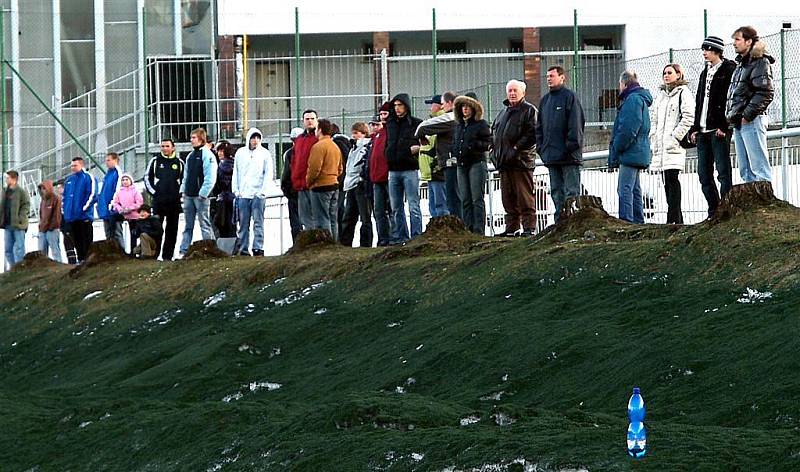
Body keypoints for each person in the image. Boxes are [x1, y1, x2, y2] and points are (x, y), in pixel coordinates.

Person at [690, 36, 737, 218]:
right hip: (703, 131)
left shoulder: (728, 69)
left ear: (717, 51)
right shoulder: (705, 72)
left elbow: (730, 100)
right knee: (704, 174)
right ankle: (714, 210)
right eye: (703, 49)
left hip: (718, 131)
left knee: (723, 172)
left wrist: (725, 126)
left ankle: (726, 210)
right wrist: (695, 127)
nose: (704, 53)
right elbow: (700, 101)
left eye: (708, 49)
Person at [536, 66, 586, 223]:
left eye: (552, 75)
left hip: (569, 157)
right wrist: (542, 149)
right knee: (556, 192)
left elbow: (576, 125)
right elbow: (539, 129)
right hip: (552, 157)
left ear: (562, 77)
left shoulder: (570, 97)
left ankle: (574, 224)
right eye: (547, 76)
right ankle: (560, 223)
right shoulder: (544, 101)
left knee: (572, 193)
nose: (549, 79)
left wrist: (570, 148)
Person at [726, 26, 775, 183]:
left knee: (759, 168)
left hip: (751, 119)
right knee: (746, 169)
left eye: (737, 39)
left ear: (748, 41)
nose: (734, 43)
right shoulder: (742, 64)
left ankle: (764, 203)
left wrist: (747, 115)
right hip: (740, 120)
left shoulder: (760, 62)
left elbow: (765, 92)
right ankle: (752, 204)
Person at [491, 79, 538, 237]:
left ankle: (529, 227)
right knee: (508, 198)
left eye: (515, 90)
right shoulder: (502, 113)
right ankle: (511, 227)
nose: (512, 93)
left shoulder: (529, 111)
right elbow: (494, 134)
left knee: (525, 196)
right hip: (504, 163)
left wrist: (517, 148)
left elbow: (532, 133)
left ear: (523, 92)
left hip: (521, 162)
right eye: (510, 90)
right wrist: (494, 153)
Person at [650, 63, 694, 224]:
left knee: (673, 180)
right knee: (666, 182)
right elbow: (654, 119)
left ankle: (673, 218)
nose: (666, 76)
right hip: (661, 147)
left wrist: (675, 136)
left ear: (678, 74)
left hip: (673, 145)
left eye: (669, 73)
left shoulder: (683, 93)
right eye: (664, 73)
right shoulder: (661, 95)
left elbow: (688, 117)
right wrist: (654, 137)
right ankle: (677, 219)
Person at [608, 70, 653, 224]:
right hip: (639, 150)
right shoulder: (640, 99)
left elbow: (628, 128)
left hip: (630, 152)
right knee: (634, 189)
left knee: (624, 189)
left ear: (624, 83)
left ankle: (627, 221)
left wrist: (617, 146)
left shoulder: (632, 100)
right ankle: (638, 221)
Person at [451, 95, 492, 234]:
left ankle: (479, 230)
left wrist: (473, 146)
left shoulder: (481, 124)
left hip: (476, 163)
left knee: (476, 199)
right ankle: (468, 230)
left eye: (468, 106)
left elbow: (489, 142)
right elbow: (455, 142)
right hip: (462, 165)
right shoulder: (459, 126)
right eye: (463, 106)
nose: (465, 109)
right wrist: (455, 151)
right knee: (465, 199)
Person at [233, 127, 277, 256]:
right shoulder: (240, 153)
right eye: (253, 138)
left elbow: (268, 174)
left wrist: (262, 191)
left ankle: (258, 247)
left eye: (258, 138)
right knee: (243, 224)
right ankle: (243, 248)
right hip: (243, 195)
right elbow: (236, 172)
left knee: (258, 222)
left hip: (258, 195)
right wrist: (236, 190)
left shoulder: (265, 154)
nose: (255, 140)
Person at [386, 93, 423, 243]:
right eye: (395, 106)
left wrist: (415, 150)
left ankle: (416, 237)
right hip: (393, 170)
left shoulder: (416, 123)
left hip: (409, 169)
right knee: (396, 207)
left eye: (400, 105)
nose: (397, 108)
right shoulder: (390, 124)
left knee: (413, 205)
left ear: (406, 106)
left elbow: (424, 143)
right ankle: (401, 237)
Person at [179, 128, 218, 256]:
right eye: (191, 138)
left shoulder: (207, 155)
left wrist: (204, 192)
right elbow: (186, 175)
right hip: (189, 195)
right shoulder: (190, 156)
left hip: (200, 196)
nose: (191, 140)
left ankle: (210, 247)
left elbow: (210, 176)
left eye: (194, 138)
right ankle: (183, 250)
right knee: (188, 226)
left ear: (201, 139)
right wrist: (183, 191)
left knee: (204, 223)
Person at [144, 138, 184, 260]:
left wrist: (179, 194)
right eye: (162, 146)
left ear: (173, 147)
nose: (164, 148)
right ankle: (154, 255)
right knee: (157, 230)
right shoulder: (155, 161)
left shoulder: (179, 163)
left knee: (172, 231)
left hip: (174, 203)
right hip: (159, 203)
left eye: (167, 146)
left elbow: (184, 181)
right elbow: (147, 178)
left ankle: (168, 256)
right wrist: (154, 193)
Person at [306, 118, 343, 239]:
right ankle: (334, 242)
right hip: (334, 184)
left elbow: (314, 168)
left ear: (320, 130)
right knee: (333, 218)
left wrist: (309, 182)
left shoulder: (318, 147)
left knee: (322, 218)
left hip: (320, 186)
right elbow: (340, 168)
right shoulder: (335, 146)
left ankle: (325, 243)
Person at [340, 122, 374, 247]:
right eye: (353, 133)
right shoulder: (353, 148)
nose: (353, 136)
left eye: (356, 133)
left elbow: (359, 165)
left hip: (361, 184)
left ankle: (365, 244)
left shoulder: (365, 147)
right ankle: (346, 242)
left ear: (364, 134)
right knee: (349, 215)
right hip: (351, 185)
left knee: (365, 217)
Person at [418, 94, 448, 218]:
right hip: (431, 171)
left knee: (440, 205)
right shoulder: (433, 122)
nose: (430, 107)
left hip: (436, 169)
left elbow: (435, 145)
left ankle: (443, 232)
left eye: (432, 104)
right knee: (434, 205)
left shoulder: (440, 121)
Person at [62, 157, 97, 263]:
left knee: (86, 240)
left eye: (75, 165)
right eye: (71, 165)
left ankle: (88, 261)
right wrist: (65, 211)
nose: (73, 168)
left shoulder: (88, 178)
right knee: (76, 241)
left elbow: (92, 195)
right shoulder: (69, 180)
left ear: (81, 165)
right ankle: (80, 260)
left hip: (83, 216)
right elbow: (65, 197)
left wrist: (83, 209)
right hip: (72, 217)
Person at [290, 110, 320, 230]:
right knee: (305, 218)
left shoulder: (319, 138)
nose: (310, 121)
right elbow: (294, 161)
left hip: (316, 185)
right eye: (307, 119)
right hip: (301, 185)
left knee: (318, 217)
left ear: (317, 120)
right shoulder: (299, 140)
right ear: (303, 121)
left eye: (312, 118)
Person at [369, 103, 394, 246]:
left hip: (388, 177)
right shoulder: (377, 135)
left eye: (385, 114)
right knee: (378, 211)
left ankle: (393, 238)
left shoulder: (390, 132)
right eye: (381, 114)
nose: (382, 117)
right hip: (376, 178)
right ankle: (383, 239)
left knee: (392, 210)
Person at [0, 170, 30, 268]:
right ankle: (13, 268)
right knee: (8, 250)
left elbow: (26, 205)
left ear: (14, 179)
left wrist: (20, 218)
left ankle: (20, 268)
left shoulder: (21, 191)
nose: (6, 180)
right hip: (7, 225)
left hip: (18, 225)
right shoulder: (4, 191)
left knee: (19, 248)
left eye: (8, 178)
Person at [280, 128, 305, 244]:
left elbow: (286, 174)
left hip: (294, 190)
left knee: (295, 220)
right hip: (305, 189)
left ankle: (297, 243)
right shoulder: (309, 151)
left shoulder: (289, 153)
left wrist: (285, 189)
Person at [96, 152, 123, 247]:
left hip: (113, 209)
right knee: (108, 234)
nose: (106, 162)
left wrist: (113, 204)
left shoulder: (118, 174)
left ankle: (121, 253)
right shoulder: (108, 174)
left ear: (115, 160)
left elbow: (118, 190)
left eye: (108, 160)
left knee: (117, 233)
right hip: (105, 209)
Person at [111, 173, 143, 253]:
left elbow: (139, 203)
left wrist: (130, 208)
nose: (125, 181)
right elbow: (115, 203)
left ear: (130, 181)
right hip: (123, 214)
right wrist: (120, 209)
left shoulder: (135, 191)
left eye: (126, 180)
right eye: (123, 180)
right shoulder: (119, 192)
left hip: (134, 216)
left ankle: (133, 252)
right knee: (113, 220)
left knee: (133, 235)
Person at [212, 140, 236, 239]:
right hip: (231, 197)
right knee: (230, 225)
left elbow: (219, 183)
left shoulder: (221, 166)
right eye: (219, 151)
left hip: (224, 198)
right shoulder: (234, 164)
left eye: (222, 151)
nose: (220, 153)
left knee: (223, 225)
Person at [37, 180, 62, 262]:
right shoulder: (43, 200)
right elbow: (41, 215)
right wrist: (41, 227)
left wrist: (51, 227)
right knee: (41, 253)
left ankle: (59, 267)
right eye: (41, 189)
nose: (43, 190)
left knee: (55, 251)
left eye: (44, 188)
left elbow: (56, 215)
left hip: (52, 230)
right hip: (43, 230)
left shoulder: (56, 198)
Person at [56, 181, 78, 264]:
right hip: (63, 224)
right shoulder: (60, 199)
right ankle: (70, 261)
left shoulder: (70, 198)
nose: (58, 190)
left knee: (70, 242)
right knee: (66, 243)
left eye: (60, 188)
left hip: (70, 223)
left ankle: (74, 261)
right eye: (58, 188)